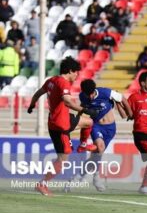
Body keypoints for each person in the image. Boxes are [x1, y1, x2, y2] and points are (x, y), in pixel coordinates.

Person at [27, 57, 98, 196]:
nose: (77, 75)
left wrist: (31, 104)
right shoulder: (63, 83)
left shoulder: (51, 80)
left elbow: (38, 93)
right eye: (76, 72)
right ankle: (42, 184)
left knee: (88, 122)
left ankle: (83, 144)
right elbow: (67, 102)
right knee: (63, 160)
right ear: (70, 71)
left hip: (59, 120)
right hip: (61, 126)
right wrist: (84, 110)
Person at [67, 79, 133, 192]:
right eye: (88, 95)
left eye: (92, 94)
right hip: (96, 126)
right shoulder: (83, 96)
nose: (91, 97)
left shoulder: (106, 93)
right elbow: (82, 108)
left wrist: (130, 113)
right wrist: (78, 120)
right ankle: (96, 178)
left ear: (94, 90)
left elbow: (123, 99)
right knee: (100, 147)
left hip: (110, 128)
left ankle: (77, 177)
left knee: (96, 155)